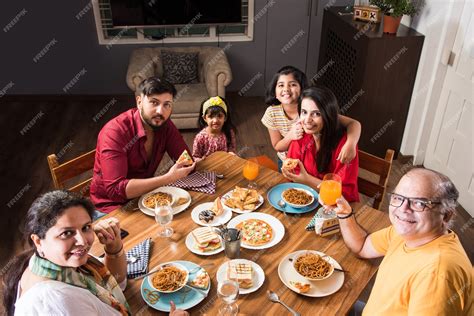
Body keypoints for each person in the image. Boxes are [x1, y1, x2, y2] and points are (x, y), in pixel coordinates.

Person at [2, 190, 189, 315]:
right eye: (66, 233)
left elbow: (116, 283)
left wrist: (114, 248)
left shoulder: (53, 262)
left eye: (85, 227)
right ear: (38, 241)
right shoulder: (58, 301)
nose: (82, 241)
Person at [334, 168, 473, 315]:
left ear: (446, 215)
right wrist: (344, 214)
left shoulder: (436, 275)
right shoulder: (407, 232)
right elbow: (362, 245)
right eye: (398, 198)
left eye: (419, 203)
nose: (403, 209)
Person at [90, 77, 195, 214]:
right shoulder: (114, 132)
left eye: (166, 104)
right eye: (154, 102)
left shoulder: (165, 125)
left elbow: (186, 161)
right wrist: (168, 178)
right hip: (112, 209)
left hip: (146, 197)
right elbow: (115, 191)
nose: (160, 111)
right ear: (139, 102)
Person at [261, 65, 361, 170]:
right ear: (274, 91)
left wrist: (351, 144)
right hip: (287, 161)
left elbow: (354, 123)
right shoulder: (272, 113)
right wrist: (290, 136)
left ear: (302, 90)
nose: (286, 89)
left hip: (311, 160)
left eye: (293, 84)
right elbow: (277, 146)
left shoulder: (311, 107)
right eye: (281, 85)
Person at [282, 86, 359, 202]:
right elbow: (293, 173)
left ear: (328, 115)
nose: (307, 120)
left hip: (339, 207)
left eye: (316, 114)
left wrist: (307, 180)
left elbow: (344, 194)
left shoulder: (345, 146)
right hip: (305, 199)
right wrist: (289, 172)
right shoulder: (300, 135)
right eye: (304, 112)